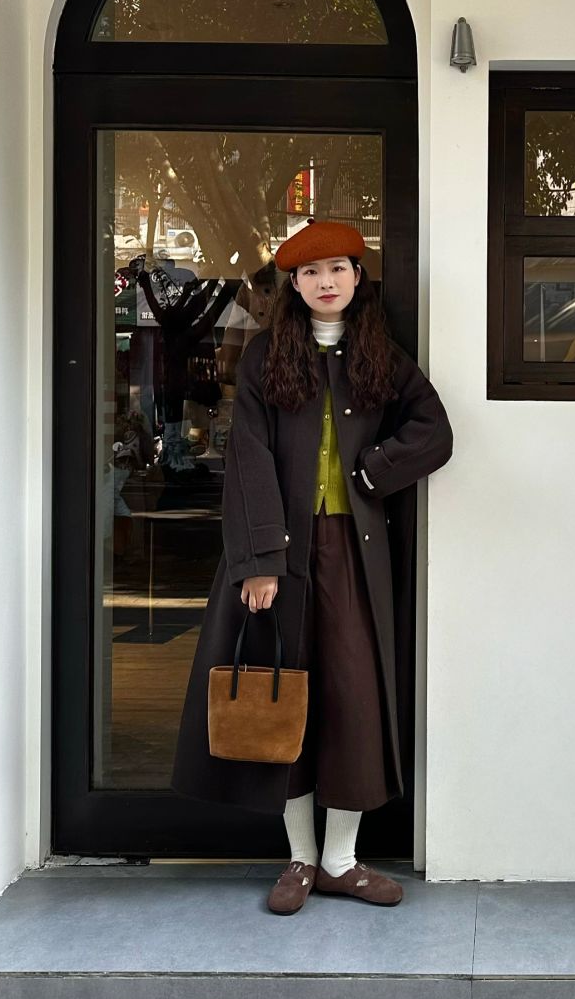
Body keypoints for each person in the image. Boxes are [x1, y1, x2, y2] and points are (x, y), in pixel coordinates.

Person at [169, 217, 454, 915]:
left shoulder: (381, 354)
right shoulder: (266, 357)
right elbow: (248, 458)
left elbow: (434, 431)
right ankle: (299, 858)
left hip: (353, 552)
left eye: (337, 269)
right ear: (294, 286)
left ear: (357, 277)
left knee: (353, 701)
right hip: (282, 552)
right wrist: (259, 561)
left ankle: (340, 861)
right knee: (282, 697)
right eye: (310, 273)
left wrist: (373, 473)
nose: (326, 282)